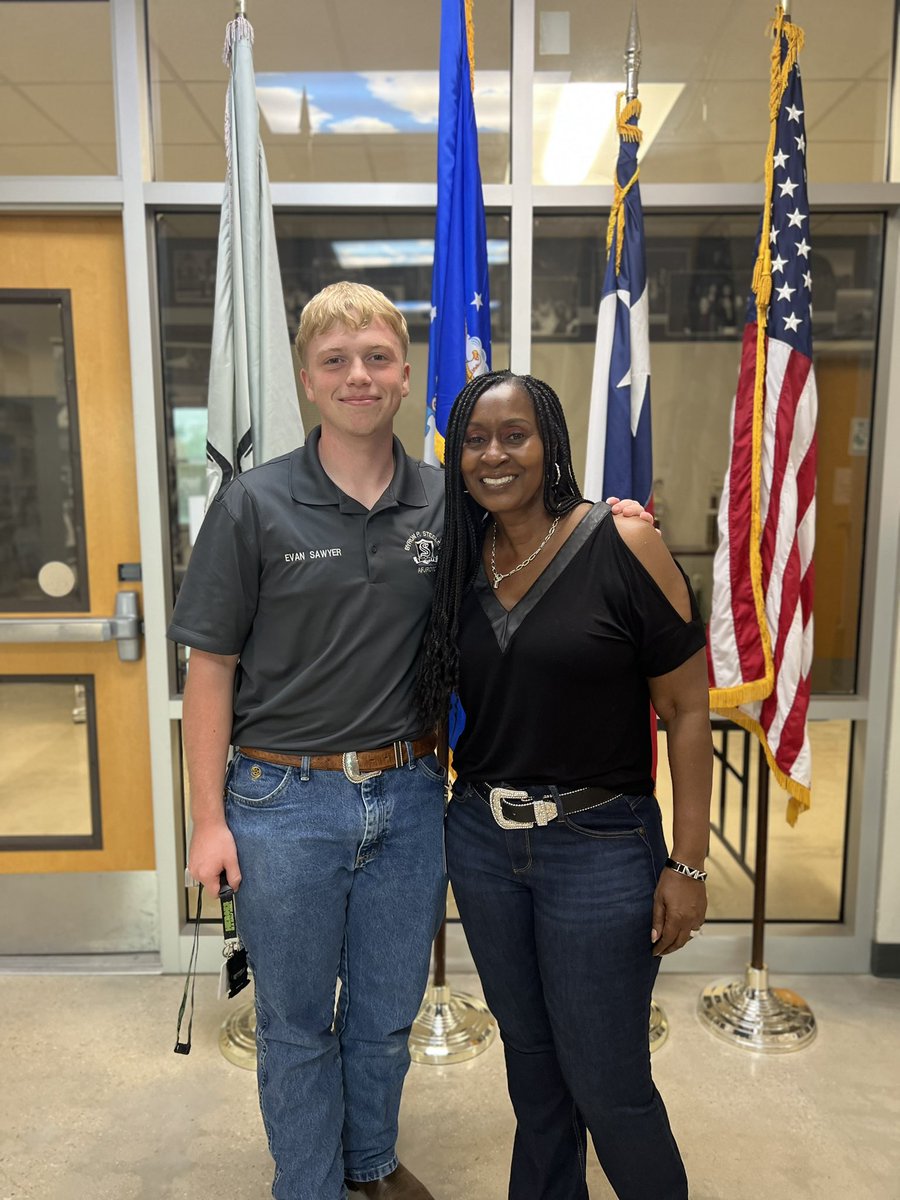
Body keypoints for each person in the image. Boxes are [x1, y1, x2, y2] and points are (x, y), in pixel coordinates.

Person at [169, 281, 653, 1199]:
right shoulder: (253, 505)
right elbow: (210, 670)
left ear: (405, 379)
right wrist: (207, 821)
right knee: (297, 1022)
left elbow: (538, 540)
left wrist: (613, 523)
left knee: (387, 1015)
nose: (358, 376)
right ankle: (308, 1186)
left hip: (409, 797)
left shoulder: (451, 502)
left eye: (377, 358)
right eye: (335, 361)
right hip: (282, 803)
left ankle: (369, 1165)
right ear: (308, 382)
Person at [415, 370, 713, 1200]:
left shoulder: (624, 543)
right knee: (535, 1074)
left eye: (515, 434)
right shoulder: (456, 563)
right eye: (474, 439)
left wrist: (687, 865)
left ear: (550, 442)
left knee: (609, 1084)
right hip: (481, 839)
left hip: (601, 846)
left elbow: (688, 710)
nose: (493, 454)